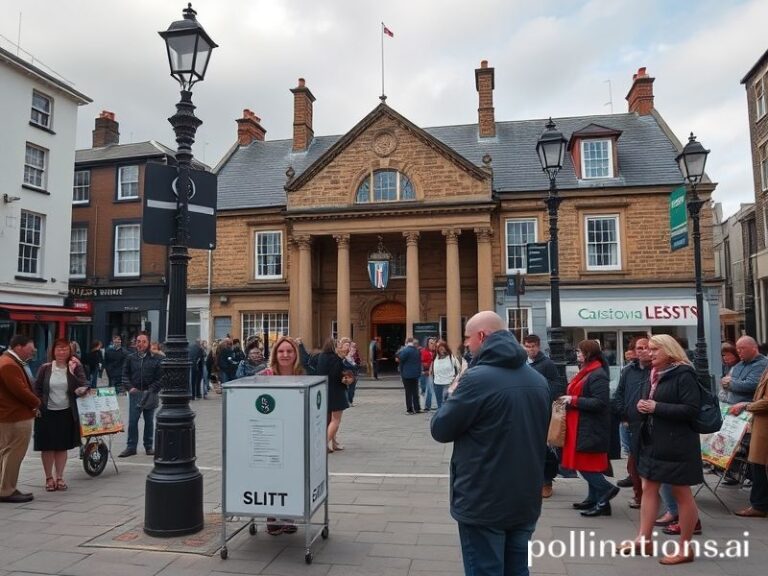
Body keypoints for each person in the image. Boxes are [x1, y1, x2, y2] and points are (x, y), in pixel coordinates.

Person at [431, 311, 549, 576]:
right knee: (518, 569)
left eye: (468, 338)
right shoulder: (537, 380)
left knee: (486, 569)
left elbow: (440, 429)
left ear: (482, 336)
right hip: (525, 496)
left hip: (484, 497)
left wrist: (452, 392)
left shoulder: (476, 379)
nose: (466, 344)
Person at [621, 334, 702, 565]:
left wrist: (656, 407)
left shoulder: (684, 374)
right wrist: (642, 406)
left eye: (655, 349)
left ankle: (685, 548)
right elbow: (650, 403)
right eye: (648, 349)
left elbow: (690, 410)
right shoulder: (654, 374)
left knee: (681, 493)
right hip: (653, 441)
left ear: (669, 350)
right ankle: (643, 539)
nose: (650, 352)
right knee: (648, 487)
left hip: (677, 443)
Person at [561, 340, 619, 518]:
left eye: (579, 351)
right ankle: (596, 500)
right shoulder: (588, 372)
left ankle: (607, 490)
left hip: (589, 427)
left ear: (588, 353)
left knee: (586, 466)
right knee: (587, 464)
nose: (577, 354)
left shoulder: (597, 374)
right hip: (582, 424)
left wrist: (573, 400)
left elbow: (600, 403)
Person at [256, 335, 303, 536]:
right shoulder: (265, 375)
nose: (285, 355)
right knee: (271, 477)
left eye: (289, 351)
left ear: (295, 355)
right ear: (275, 354)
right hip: (270, 435)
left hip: (294, 434)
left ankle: (288, 516)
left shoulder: (302, 376)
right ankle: (272, 516)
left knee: (291, 476)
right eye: (281, 351)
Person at [32, 339, 89, 492]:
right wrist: (37, 404)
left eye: (65, 349)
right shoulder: (45, 368)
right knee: (47, 446)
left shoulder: (75, 366)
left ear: (70, 351)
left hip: (66, 412)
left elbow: (83, 385)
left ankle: (60, 477)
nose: (62, 352)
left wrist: (72, 373)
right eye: (59, 349)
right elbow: (36, 388)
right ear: (53, 351)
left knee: (61, 446)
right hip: (46, 412)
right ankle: (48, 478)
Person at [0, 335, 41, 503]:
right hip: (15, 416)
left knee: (5, 452)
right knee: (13, 453)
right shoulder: (9, 364)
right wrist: (37, 402)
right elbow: (21, 391)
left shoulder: (6, 360)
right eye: (30, 349)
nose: (33, 353)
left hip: (8, 415)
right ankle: (7, 490)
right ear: (18, 347)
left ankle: (5, 486)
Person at [613, 337, 650, 509]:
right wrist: (624, 414)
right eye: (639, 347)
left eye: (645, 347)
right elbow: (620, 393)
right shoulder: (629, 371)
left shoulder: (655, 370)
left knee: (647, 461)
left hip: (650, 424)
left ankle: (652, 495)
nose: (642, 350)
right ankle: (639, 495)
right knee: (634, 460)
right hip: (632, 422)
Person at [523, 334, 562, 499]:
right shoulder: (522, 364)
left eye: (533, 346)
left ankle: (547, 481)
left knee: (544, 449)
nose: (530, 349)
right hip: (526, 411)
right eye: (528, 346)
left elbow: (557, 385)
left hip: (542, 411)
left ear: (538, 346)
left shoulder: (547, 364)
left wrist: (539, 392)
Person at [728, 368, 768, 518]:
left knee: (759, 466)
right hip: (761, 425)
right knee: (758, 466)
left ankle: (759, 505)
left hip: (764, 427)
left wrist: (747, 406)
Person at [119, 333, 163, 457]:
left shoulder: (156, 359)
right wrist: (130, 388)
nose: (140, 344)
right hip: (135, 393)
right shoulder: (130, 358)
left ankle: (148, 446)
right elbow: (124, 375)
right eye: (138, 341)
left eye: (144, 341)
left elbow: (161, 378)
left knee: (149, 421)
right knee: (133, 421)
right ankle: (131, 447)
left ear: (148, 343)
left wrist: (152, 389)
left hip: (150, 393)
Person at [316, 338, 350, 451]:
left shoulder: (322, 356)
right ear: (333, 347)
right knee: (336, 420)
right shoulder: (335, 358)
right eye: (338, 345)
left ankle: (334, 443)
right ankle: (323, 444)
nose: (340, 347)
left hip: (325, 390)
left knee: (330, 419)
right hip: (336, 390)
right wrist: (341, 359)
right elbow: (336, 374)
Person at [720, 336, 767, 405]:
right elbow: (726, 382)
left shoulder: (762, 364)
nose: (738, 351)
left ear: (754, 348)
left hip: (748, 408)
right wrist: (727, 382)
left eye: (742, 348)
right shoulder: (738, 365)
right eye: (737, 349)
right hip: (730, 405)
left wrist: (729, 383)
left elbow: (751, 385)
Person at [429, 340, 460, 410]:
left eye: (442, 348)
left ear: (446, 348)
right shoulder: (436, 357)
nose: (441, 350)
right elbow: (432, 368)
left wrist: (455, 380)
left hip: (448, 383)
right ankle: (441, 417)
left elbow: (459, 369)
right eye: (439, 349)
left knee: (446, 403)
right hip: (437, 384)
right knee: (439, 403)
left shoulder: (451, 357)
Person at [397, 337, 422, 414]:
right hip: (415, 374)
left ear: (407, 342)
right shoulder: (416, 350)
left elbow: (400, 358)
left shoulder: (405, 350)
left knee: (408, 392)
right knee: (415, 392)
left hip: (406, 374)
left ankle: (410, 409)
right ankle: (417, 408)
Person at [420, 337, 437, 411]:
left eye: (434, 343)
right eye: (431, 343)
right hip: (426, 373)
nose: (433, 344)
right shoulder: (424, 351)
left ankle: (428, 405)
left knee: (431, 390)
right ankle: (425, 405)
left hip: (434, 374)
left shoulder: (436, 352)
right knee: (425, 390)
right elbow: (422, 363)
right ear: (427, 343)